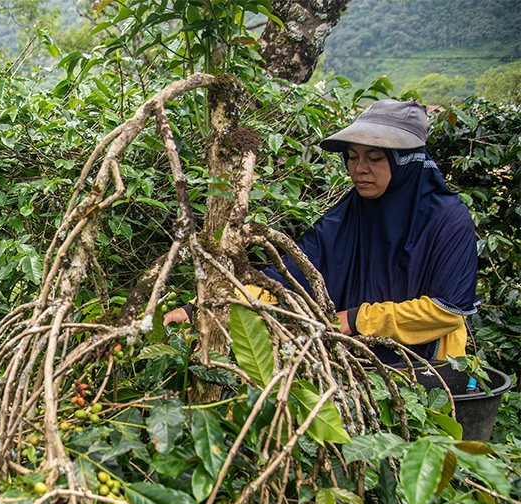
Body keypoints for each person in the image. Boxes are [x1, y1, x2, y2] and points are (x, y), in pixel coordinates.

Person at [166, 99, 478, 364]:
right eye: (352, 157)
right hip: (354, 361)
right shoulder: (348, 214)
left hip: (427, 369)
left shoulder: (448, 220)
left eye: (375, 158)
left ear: (406, 163)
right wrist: (202, 307)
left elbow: (448, 310)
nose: (359, 169)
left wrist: (357, 319)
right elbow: (287, 278)